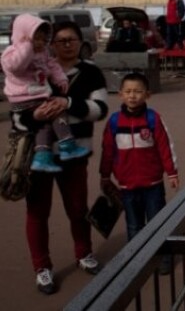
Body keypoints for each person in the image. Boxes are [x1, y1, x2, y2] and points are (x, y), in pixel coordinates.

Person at [18, 20, 109, 295]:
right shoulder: (35, 71)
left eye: (71, 39)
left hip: (75, 154)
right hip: (38, 156)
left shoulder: (92, 72)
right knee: (37, 213)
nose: (66, 44)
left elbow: (100, 109)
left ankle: (84, 253)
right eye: (60, 41)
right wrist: (33, 116)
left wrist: (67, 103)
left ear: (81, 42)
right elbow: (17, 115)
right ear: (51, 44)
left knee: (77, 209)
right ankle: (42, 267)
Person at [100, 72, 179, 274]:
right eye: (128, 91)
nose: (132, 95)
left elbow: (164, 146)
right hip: (127, 185)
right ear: (120, 95)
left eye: (137, 91)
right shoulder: (114, 122)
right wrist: (105, 175)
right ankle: (137, 260)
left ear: (147, 95)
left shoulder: (153, 118)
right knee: (134, 226)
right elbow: (108, 150)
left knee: (157, 222)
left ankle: (163, 257)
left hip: (153, 183)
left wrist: (172, 172)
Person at [1, 14, 90, 174]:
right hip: (24, 98)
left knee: (48, 121)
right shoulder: (12, 53)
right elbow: (16, 67)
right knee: (56, 113)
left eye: (43, 39)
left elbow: (52, 65)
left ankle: (43, 155)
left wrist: (61, 78)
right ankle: (67, 144)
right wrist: (27, 46)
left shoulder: (44, 53)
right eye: (37, 39)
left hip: (38, 95)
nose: (41, 43)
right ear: (24, 36)